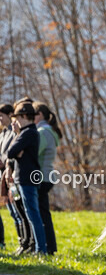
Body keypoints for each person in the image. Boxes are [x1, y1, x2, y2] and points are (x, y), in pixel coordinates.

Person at [5, 101, 47, 255]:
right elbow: (14, 153)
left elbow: (10, 152)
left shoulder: (28, 133)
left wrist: (17, 148)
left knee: (32, 213)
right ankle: (37, 247)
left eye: (18, 118)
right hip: (24, 178)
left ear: (24, 116)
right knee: (30, 213)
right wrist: (17, 150)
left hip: (27, 178)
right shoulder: (26, 133)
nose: (15, 122)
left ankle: (40, 249)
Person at [33, 101, 62, 255]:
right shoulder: (49, 130)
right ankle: (49, 246)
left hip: (41, 176)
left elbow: (35, 152)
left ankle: (48, 247)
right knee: (44, 212)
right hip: (47, 175)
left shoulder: (43, 132)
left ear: (41, 115)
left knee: (41, 213)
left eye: (34, 114)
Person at [0, 103, 14, 249]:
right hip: (2, 173)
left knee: (16, 211)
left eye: (1, 116)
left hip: (8, 173)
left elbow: (9, 153)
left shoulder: (12, 132)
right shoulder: (3, 132)